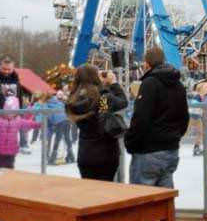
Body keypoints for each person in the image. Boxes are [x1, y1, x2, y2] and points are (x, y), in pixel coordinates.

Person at [125, 47, 189, 188]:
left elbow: (139, 117)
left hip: (147, 149)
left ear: (147, 63)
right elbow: (184, 117)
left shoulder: (103, 95)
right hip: (170, 147)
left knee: (142, 200)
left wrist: (130, 141)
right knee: (163, 198)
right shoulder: (178, 85)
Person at [66, 65, 128, 181]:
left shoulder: (73, 100)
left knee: (90, 193)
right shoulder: (103, 98)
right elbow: (122, 102)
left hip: (86, 155)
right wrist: (113, 83)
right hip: (106, 154)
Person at [0, 94, 41, 169]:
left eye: (12, 111)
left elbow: (29, 123)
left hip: (11, 150)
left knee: (9, 167)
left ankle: (8, 178)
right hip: (0, 150)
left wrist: (40, 124)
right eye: (7, 111)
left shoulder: (18, 121)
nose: (9, 113)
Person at [47, 91, 75, 165]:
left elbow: (49, 117)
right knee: (67, 137)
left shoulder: (47, 104)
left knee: (58, 138)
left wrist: (51, 125)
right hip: (67, 120)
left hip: (60, 122)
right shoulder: (59, 102)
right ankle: (71, 155)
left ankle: (53, 157)